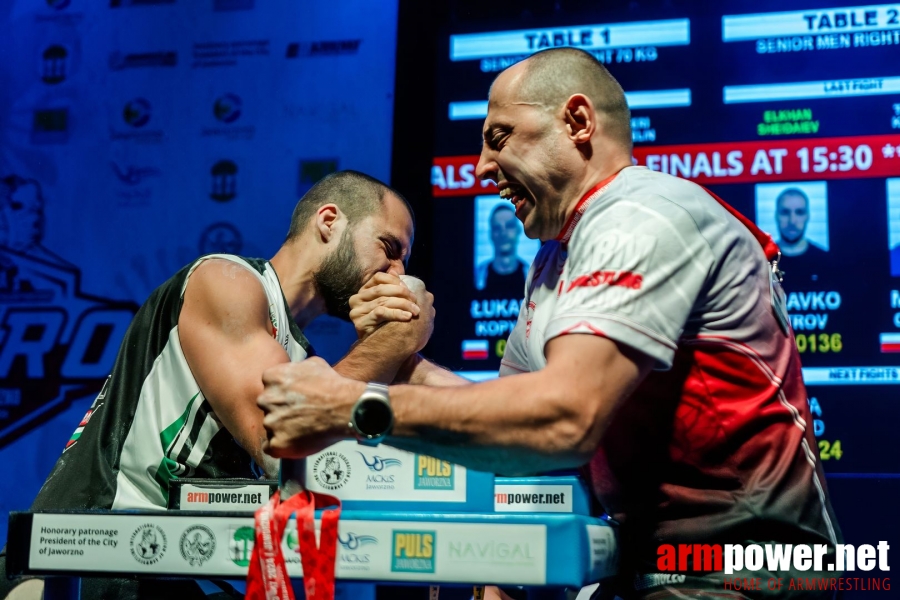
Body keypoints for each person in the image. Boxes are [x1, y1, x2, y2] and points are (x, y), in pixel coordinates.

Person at [256, 49, 842, 599]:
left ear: (578, 122)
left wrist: (353, 405)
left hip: (748, 568)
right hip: (653, 562)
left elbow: (563, 419)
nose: (482, 166)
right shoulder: (557, 255)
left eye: (498, 137)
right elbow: (517, 423)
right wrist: (402, 354)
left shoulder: (637, 218)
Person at [0, 170, 434, 599]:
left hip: (175, 563)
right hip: (93, 557)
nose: (396, 273)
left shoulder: (302, 362)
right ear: (328, 221)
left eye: (404, 263)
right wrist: (391, 346)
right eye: (389, 248)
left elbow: (335, 455)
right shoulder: (227, 282)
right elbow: (277, 440)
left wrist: (403, 356)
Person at [475, 203, 529, 296]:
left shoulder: (531, 274)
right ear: (491, 234)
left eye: (509, 226)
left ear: (518, 230)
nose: (503, 233)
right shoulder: (477, 276)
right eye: (497, 228)